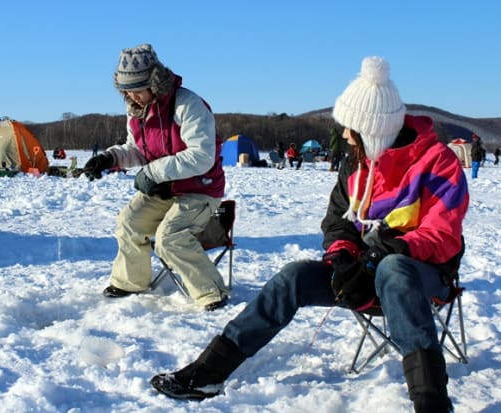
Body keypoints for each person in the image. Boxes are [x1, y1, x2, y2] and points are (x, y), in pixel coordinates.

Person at [150, 56, 469, 412]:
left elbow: (444, 235)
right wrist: (343, 255)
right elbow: (337, 222)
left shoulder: (437, 161)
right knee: (294, 276)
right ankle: (208, 372)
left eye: (350, 129)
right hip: (363, 274)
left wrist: (389, 250)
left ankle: (432, 403)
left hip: (424, 277)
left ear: (373, 132)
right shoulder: (354, 164)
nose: (344, 136)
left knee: (395, 269)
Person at [83, 43, 228, 311]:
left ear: (154, 83)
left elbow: (201, 156)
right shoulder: (137, 110)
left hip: (201, 190)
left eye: (137, 89)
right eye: (126, 91)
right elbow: (137, 150)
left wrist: (153, 172)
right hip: (164, 189)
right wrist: (110, 158)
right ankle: (130, 281)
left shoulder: (189, 105)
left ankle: (211, 291)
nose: (131, 96)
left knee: (170, 237)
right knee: (128, 221)